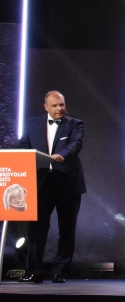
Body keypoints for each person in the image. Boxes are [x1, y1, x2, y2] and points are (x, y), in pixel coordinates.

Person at [12, 91, 86, 283]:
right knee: (37, 229)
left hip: (68, 183)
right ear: (46, 107)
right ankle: (34, 271)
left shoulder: (75, 124)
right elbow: (22, 145)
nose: (59, 108)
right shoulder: (32, 123)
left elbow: (75, 145)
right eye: (54, 105)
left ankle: (60, 271)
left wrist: (62, 155)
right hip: (42, 183)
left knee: (67, 229)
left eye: (61, 104)